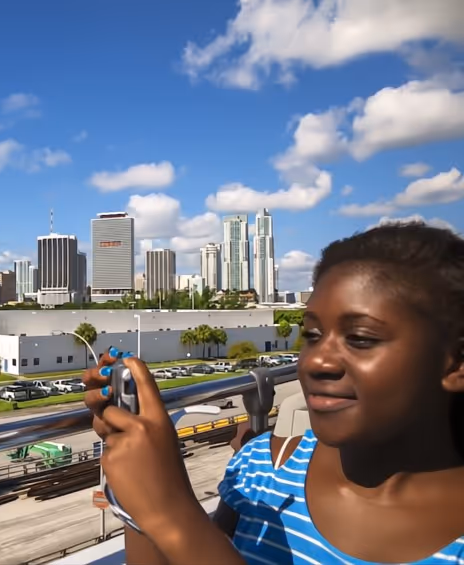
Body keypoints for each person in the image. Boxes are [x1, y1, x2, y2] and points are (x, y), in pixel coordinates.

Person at [83, 222, 464, 564]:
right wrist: (140, 494)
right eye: (312, 335)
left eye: (361, 339)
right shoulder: (261, 468)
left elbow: (188, 540)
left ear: (455, 363)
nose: (316, 362)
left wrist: (174, 515)